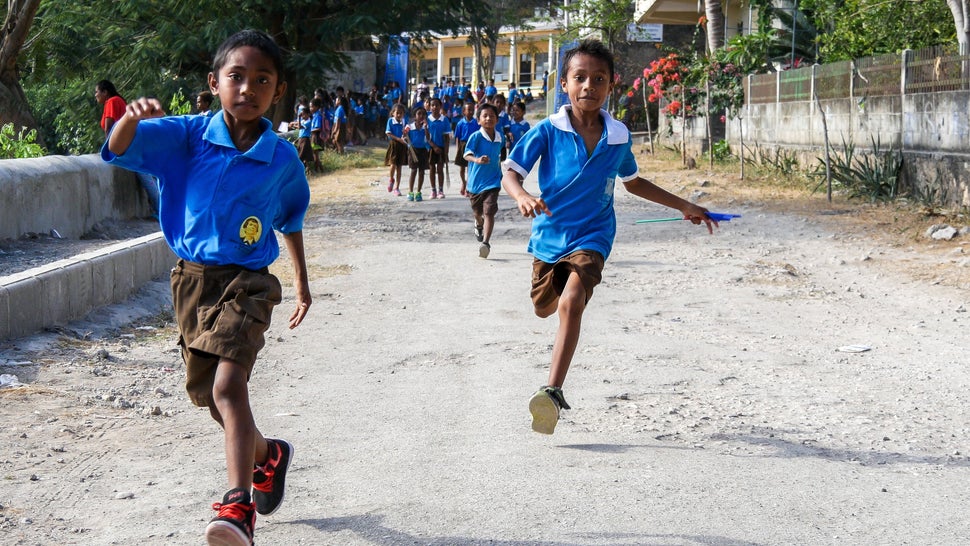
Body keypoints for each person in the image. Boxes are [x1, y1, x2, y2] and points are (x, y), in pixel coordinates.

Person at [100, 29, 311, 545]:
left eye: (262, 80)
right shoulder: (187, 135)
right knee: (208, 396)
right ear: (214, 83)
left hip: (249, 284)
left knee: (227, 386)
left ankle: (238, 508)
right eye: (236, 77)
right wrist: (129, 119)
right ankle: (269, 454)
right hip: (191, 284)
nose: (248, 88)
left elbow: (290, 219)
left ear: (277, 91)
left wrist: (303, 283)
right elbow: (119, 148)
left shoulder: (280, 159)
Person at [500, 39, 716, 435]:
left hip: (595, 234)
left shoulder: (617, 136)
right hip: (550, 236)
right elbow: (510, 171)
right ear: (564, 84)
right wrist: (523, 196)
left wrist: (685, 204)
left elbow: (633, 183)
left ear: (611, 85)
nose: (589, 86)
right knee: (544, 307)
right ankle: (555, 313)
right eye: (579, 77)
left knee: (572, 301)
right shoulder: (548, 131)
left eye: (598, 79)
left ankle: (551, 392)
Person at [95, 79, 159, 215]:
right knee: (148, 174)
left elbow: (109, 127)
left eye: (97, 92)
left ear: (105, 92)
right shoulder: (119, 100)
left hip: (126, 144)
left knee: (145, 176)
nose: (96, 95)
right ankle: (161, 208)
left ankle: (161, 209)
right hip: (132, 141)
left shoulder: (111, 102)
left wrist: (110, 150)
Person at [463, 103, 504, 259]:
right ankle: (478, 223)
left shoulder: (500, 137)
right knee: (477, 212)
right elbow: (466, 155)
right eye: (485, 116)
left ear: (497, 119)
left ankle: (485, 243)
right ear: (479, 120)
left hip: (493, 181)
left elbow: (502, 156)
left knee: (489, 211)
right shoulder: (476, 137)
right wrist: (477, 160)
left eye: (492, 116)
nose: (488, 118)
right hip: (475, 183)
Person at [426, 97, 452, 199]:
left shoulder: (444, 120)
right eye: (432, 105)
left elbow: (447, 137)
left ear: (440, 106)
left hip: (441, 148)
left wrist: (446, 151)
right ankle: (433, 190)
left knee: (440, 169)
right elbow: (426, 136)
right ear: (429, 107)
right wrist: (433, 146)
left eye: (437, 105)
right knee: (432, 168)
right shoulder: (427, 119)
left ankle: (441, 190)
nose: (435, 107)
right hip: (431, 148)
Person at [404, 106, 431, 202]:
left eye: (423, 114)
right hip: (413, 150)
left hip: (423, 150)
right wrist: (407, 140)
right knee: (413, 170)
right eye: (419, 114)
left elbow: (428, 138)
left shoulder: (425, 127)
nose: (421, 116)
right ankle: (411, 191)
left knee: (422, 172)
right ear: (415, 116)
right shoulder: (409, 126)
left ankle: (419, 192)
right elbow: (404, 136)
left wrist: (426, 128)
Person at [452, 101, 479, 197]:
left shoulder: (476, 123)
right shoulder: (460, 123)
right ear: (464, 111)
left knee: (471, 168)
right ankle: (463, 182)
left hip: (473, 146)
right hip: (463, 146)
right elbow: (457, 138)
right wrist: (458, 149)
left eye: (472, 109)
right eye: (469, 110)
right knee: (462, 168)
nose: (471, 112)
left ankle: (469, 186)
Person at [384, 103, 408, 196]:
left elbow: (406, 133)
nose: (399, 115)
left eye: (401, 113)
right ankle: (391, 179)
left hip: (402, 146)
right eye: (397, 113)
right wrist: (398, 139)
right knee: (393, 164)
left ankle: (397, 187)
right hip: (394, 145)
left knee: (399, 167)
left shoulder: (403, 122)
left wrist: (405, 136)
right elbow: (388, 133)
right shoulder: (390, 121)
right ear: (393, 113)